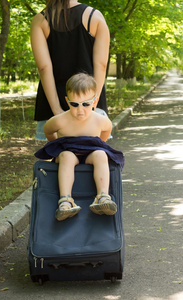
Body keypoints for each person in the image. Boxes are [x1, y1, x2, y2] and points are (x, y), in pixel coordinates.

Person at [34, 73, 124, 221]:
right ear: (67, 101)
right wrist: (57, 145)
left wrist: (99, 144)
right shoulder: (60, 120)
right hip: (68, 153)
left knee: (101, 154)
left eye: (86, 104)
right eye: (74, 104)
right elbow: (48, 131)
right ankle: (65, 201)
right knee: (67, 156)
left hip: (89, 153)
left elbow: (107, 131)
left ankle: (102, 197)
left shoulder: (100, 120)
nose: (80, 109)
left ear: (95, 102)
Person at [30, 0, 110, 141]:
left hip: (52, 104)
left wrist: (57, 111)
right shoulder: (94, 16)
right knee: (93, 155)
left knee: (57, 157)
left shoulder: (40, 20)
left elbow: (44, 68)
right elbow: (101, 64)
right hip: (89, 101)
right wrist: (90, 104)